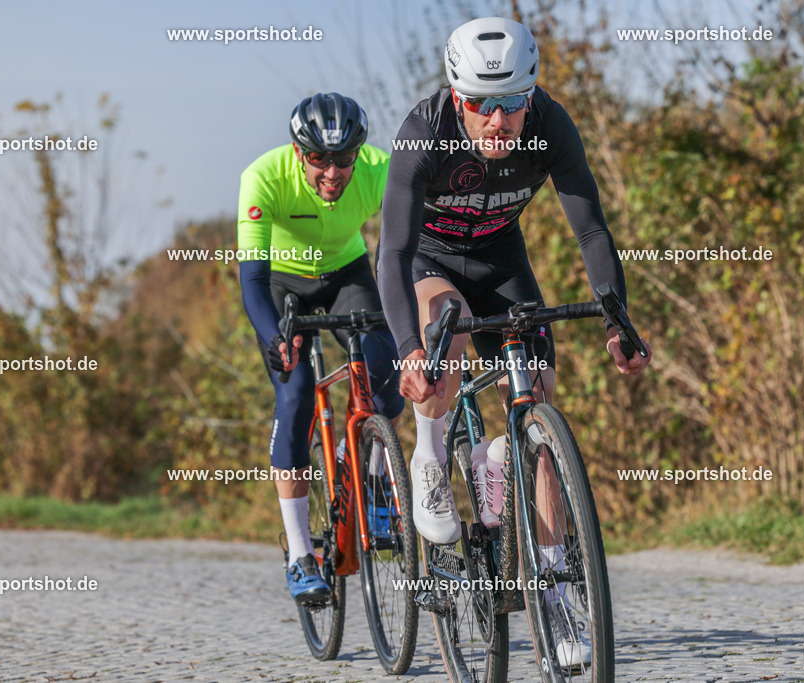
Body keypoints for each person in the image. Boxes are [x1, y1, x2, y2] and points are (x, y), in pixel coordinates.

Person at [377, 17, 652, 667]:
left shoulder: (552, 124)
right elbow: (390, 253)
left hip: (502, 262)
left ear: (531, 96)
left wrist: (618, 320)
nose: (497, 121)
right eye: (480, 104)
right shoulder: (424, 132)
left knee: (540, 402)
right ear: (456, 94)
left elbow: (591, 231)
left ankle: (552, 591)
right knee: (441, 326)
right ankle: (430, 455)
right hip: (430, 262)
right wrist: (409, 351)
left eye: (511, 104)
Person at [237, 93, 403, 606]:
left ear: (360, 152)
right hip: (283, 284)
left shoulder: (382, 170)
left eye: (344, 159)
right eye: (318, 159)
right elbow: (253, 278)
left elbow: (407, 245)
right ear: (297, 152)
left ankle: (366, 475)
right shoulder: (262, 177)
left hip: (345, 275)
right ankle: (300, 555)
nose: (333, 172)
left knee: (390, 374)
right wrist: (274, 339)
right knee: (296, 397)